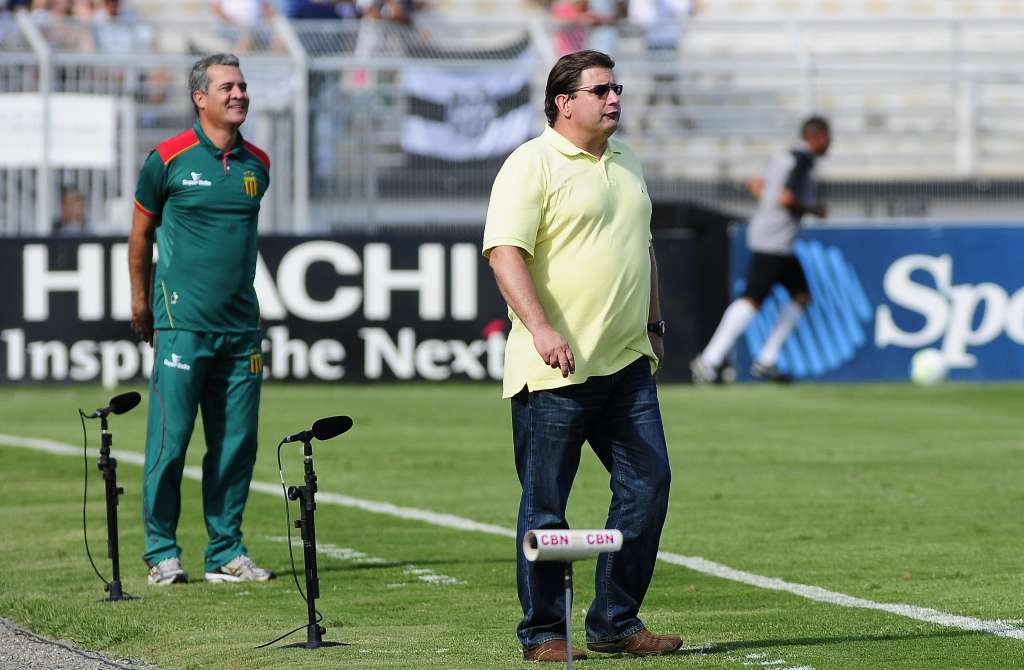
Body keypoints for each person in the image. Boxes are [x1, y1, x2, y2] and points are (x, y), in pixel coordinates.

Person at [483, 49, 682, 663]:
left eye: (617, 88)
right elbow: (504, 253)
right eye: (601, 90)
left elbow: (642, 247)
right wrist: (541, 329)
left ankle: (615, 623)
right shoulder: (530, 164)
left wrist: (654, 323)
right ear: (564, 102)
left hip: (626, 364)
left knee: (648, 486)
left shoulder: (627, 160)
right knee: (546, 506)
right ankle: (544, 633)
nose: (614, 98)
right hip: (554, 370)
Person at [128, 53, 274, 586]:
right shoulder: (166, 159)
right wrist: (140, 302)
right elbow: (139, 236)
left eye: (242, 86)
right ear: (199, 98)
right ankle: (161, 551)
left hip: (241, 331)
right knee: (170, 443)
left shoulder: (258, 163)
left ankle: (225, 551)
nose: (239, 94)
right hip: (181, 325)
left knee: (236, 444)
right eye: (227, 87)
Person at [690, 115, 831, 384]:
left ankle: (765, 359)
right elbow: (786, 198)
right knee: (752, 299)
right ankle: (709, 360)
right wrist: (815, 209)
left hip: (772, 237)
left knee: (800, 295)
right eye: (828, 138)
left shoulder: (783, 156)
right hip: (774, 240)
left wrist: (770, 202)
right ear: (819, 137)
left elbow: (755, 184)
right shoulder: (803, 160)